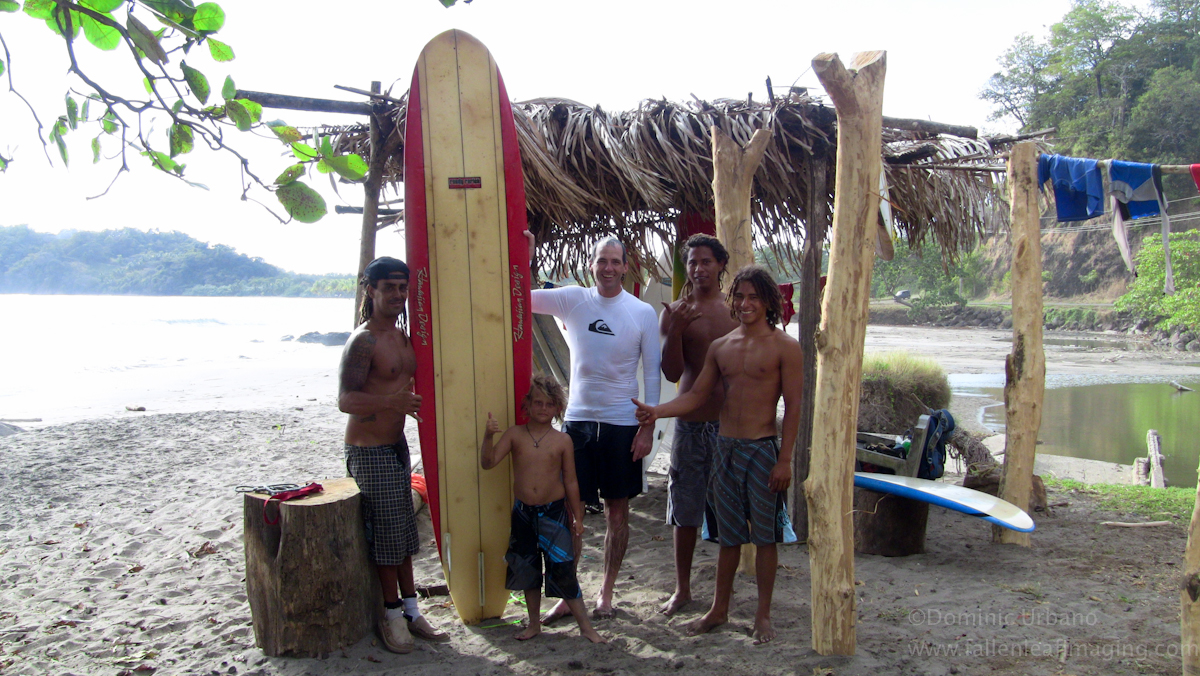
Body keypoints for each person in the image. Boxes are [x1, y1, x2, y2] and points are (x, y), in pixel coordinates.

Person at [633, 265, 802, 645]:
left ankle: (762, 615)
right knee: (728, 537)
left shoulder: (785, 347)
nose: (745, 304)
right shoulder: (721, 347)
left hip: (762, 450)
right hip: (724, 450)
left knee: (765, 538)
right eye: (739, 296)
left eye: (754, 297)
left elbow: (793, 406)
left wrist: (785, 459)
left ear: (769, 302)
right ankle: (718, 610)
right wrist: (657, 411)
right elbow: (694, 395)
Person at [525, 231, 661, 620]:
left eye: (616, 261)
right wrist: (528, 257)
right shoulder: (573, 299)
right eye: (602, 260)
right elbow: (521, 297)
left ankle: (606, 593)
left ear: (625, 266)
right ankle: (570, 594)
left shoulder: (641, 312)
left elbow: (652, 374)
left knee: (617, 511)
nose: (609, 268)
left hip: (622, 424)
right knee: (571, 511)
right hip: (579, 423)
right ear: (592, 265)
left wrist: (648, 427)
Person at [338, 256, 448, 654]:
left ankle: (412, 610)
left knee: (403, 534)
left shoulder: (404, 337)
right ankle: (390, 616)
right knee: (386, 537)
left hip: (397, 446)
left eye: (404, 288)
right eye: (390, 288)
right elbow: (345, 399)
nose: (399, 295)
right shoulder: (363, 340)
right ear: (371, 290)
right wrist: (393, 400)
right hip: (368, 450)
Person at [480, 375, 606, 643]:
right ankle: (534, 623)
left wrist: (578, 517)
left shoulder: (562, 441)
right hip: (523, 513)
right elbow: (488, 463)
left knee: (564, 568)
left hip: (554, 513)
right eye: (538, 403)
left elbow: (571, 480)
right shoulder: (514, 434)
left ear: (558, 408)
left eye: (549, 404)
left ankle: (586, 626)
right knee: (527, 569)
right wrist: (488, 436)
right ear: (528, 404)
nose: (543, 409)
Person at [657, 234, 739, 616]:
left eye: (706, 261)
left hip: (730, 425)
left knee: (729, 511)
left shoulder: (737, 311)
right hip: (690, 424)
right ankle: (683, 589)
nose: (698, 268)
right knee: (685, 511)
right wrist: (675, 330)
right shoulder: (674, 311)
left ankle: (724, 595)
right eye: (692, 262)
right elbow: (673, 371)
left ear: (721, 265)